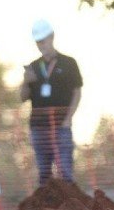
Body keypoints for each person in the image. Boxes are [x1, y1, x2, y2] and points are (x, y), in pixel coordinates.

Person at [20, 19, 82, 186]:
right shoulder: (33, 66)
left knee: (65, 171)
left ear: (52, 37)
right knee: (44, 174)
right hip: (39, 127)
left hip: (61, 125)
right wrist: (26, 82)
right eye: (38, 42)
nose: (41, 45)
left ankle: (70, 207)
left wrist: (69, 118)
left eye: (43, 40)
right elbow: (23, 97)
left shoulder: (69, 63)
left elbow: (77, 92)